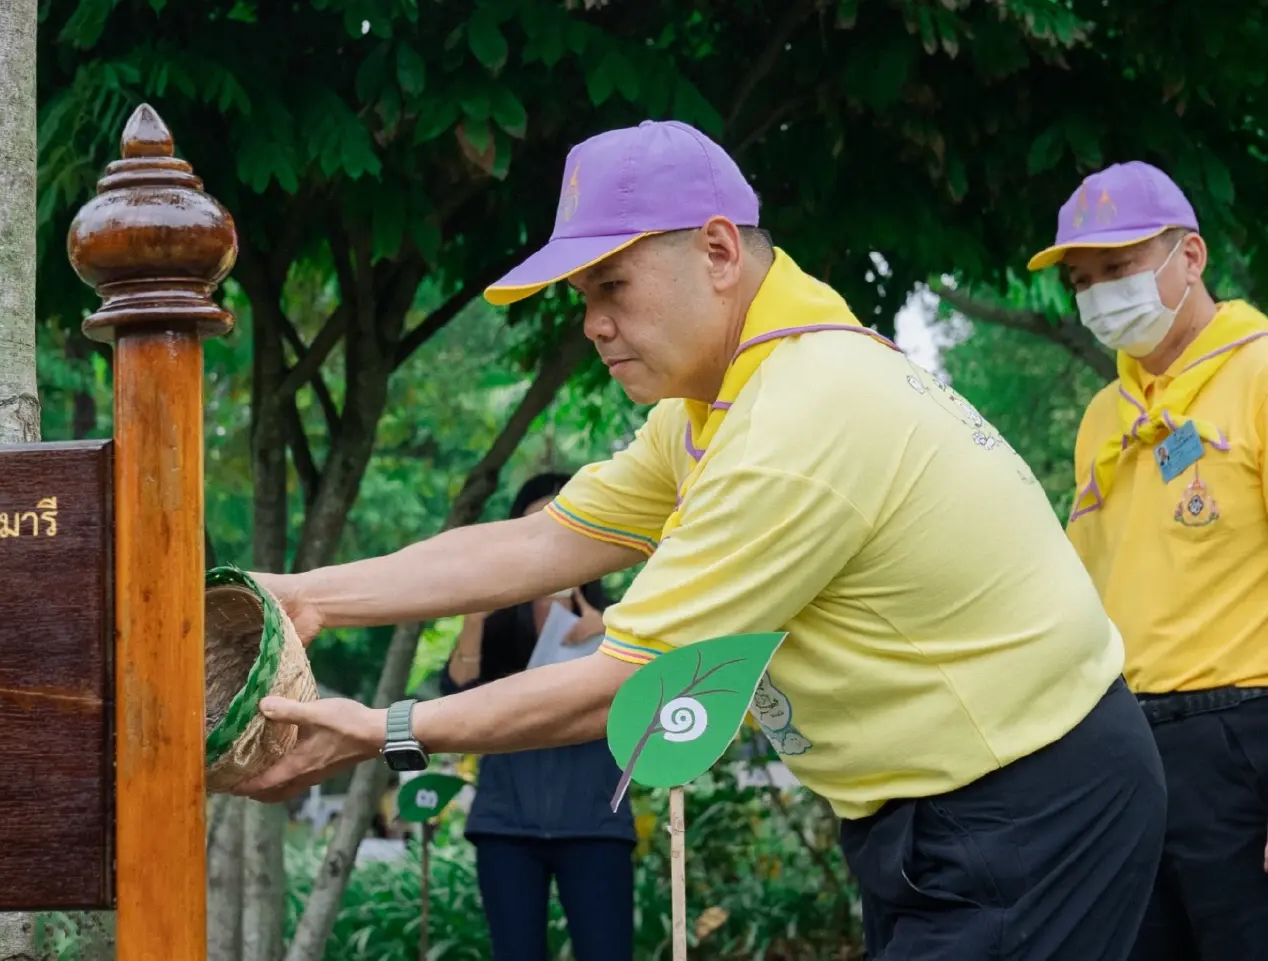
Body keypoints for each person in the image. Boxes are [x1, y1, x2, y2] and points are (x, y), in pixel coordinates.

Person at [239, 119, 1166, 960]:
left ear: (719, 250)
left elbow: (626, 683)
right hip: (941, 806)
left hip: (1032, 802)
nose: (594, 323)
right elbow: (543, 542)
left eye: (613, 285)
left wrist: (385, 732)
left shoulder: (800, 417)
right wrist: (308, 594)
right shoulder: (711, 409)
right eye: (582, 294)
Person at [1026, 160, 1268, 961]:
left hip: (1244, 735)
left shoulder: (1259, 373)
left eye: (1119, 268)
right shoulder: (1105, 415)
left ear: (1190, 257)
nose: (1099, 294)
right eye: (1082, 280)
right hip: (1128, 744)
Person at [438, 472, 636, 961]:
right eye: (533, 527)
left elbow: (652, 695)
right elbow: (456, 694)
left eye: (561, 524)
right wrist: (474, 616)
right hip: (505, 823)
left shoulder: (623, 614)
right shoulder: (500, 616)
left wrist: (609, 630)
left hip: (595, 821)